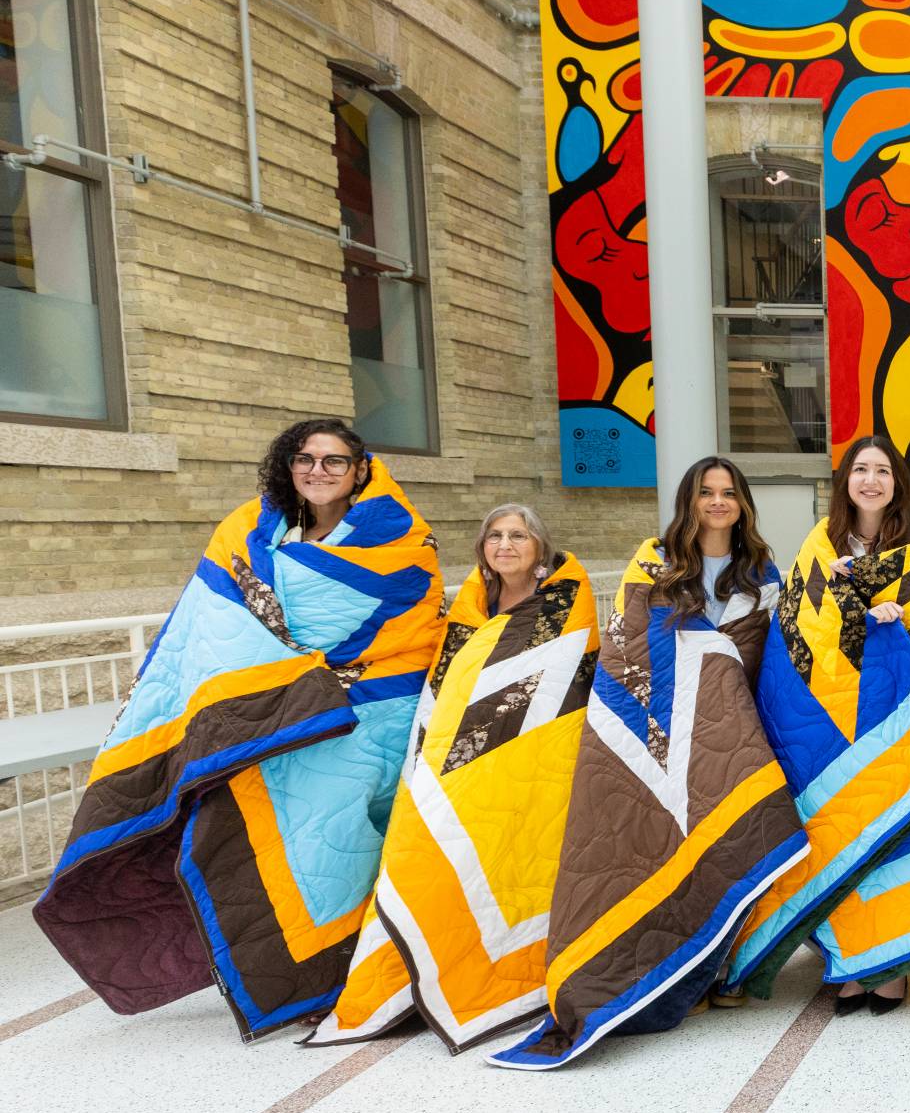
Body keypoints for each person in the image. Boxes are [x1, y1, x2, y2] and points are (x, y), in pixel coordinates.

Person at [34, 420, 444, 1039]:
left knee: (337, 830)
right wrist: (279, 655)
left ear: (361, 469)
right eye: (305, 459)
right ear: (288, 465)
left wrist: (288, 645)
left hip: (370, 707)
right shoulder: (247, 528)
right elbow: (209, 611)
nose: (318, 471)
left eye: (335, 461)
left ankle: (347, 971)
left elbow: (404, 619)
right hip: (269, 711)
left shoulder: (401, 536)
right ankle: (285, 970)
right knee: (242, 826)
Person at [494, 459, 808, 1070]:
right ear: (688, 502)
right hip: (660, 736)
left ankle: (723, 969)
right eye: (705, 494)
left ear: (742, 504)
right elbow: (630, 643)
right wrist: (703, 657)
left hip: (734, 736)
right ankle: (668, 979)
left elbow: (768, 654)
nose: (717, 503)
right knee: (659, 853)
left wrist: (712, 661)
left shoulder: (764, 574)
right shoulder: (654, 561)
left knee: (728, 850)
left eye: (728, 494)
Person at [311, 504, 600, 1049]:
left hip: (530, 766)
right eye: (495, 536)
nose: (506, 545)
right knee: (420, 854)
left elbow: (566, 684)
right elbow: (447, 690)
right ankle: (422, 972)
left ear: (540, 547)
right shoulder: (466, 608)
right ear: (482, 547)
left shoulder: (565, 606)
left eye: (518, 536)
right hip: (453, 759)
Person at [727, 435, 910, 1018]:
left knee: (904, 832)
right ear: (845, 482)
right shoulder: (820, 543)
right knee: (842, 828)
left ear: (897, 484)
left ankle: (893, 965)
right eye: (860, 469)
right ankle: (850, 962)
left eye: (882, 471)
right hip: (834, 721)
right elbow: (797, 629)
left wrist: (895, 616)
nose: (871, 480)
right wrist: (843, 601)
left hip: (899, 713)